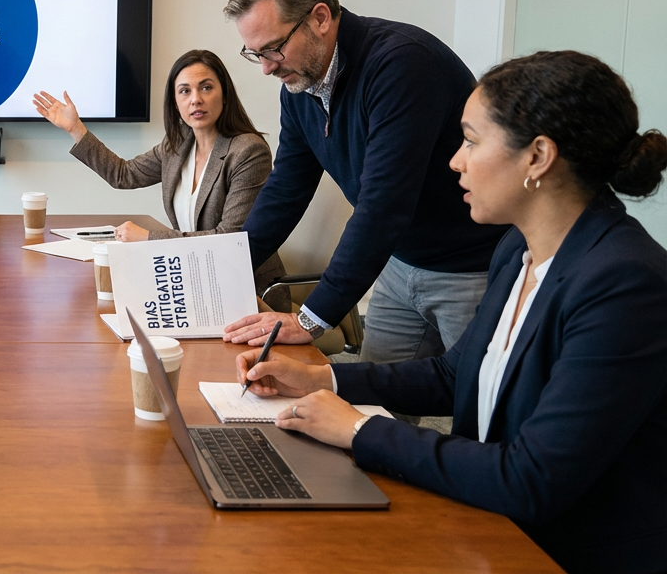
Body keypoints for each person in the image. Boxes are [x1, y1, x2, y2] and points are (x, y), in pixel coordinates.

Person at [237, 51, 667, 573]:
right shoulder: (516, 249)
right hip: (485, 522)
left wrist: (357, 430)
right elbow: (454, 372)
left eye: (470, 140)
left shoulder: (625, 283)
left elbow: (531, 479)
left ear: (538, 157)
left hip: (558, 551)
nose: (455, 161)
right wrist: (320, 379)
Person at [219, 0, 507, 362]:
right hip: (398, 261)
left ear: (320, 18)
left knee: (480, 411)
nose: (266, 68)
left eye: (274, 49)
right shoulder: (299, 87)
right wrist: (219, 276)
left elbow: (383, 205)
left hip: (471, 268)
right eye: (256, 54)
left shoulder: (402, 65)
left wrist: (310, 319)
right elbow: (286, 189)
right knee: (377, 402)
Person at [34, 50, 290, 311]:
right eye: (185, 91)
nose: (196, 100)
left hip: (247, 293)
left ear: (224, 94)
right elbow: (123, 174)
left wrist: (148, 238)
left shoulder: (248, 151)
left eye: (206, 88)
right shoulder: (177, 145)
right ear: (175, 102)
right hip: (194, 284)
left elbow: (228, 240)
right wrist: (76, 129)